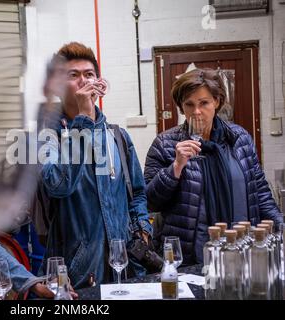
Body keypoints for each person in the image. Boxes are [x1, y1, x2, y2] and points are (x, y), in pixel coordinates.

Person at [39, 42, 152, 289]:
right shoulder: (46, 137)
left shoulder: (118, 136)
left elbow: (138, 192)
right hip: (77, 273)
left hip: (127, 266)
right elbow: (59, 185)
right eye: (73, 75)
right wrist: (83, 119)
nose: (84, 81)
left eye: (89, 74)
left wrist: (142, 229)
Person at [144, 68, 283, 264]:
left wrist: (280, 226)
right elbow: (150, 201)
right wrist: (175, 167)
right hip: (192, 257)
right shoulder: (165, 144)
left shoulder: (239, 138)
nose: (196, 112)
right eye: (189, 104)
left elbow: (259, 193)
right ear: (181, 107)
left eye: (204, 103)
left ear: (216, 102)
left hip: (242, 249)